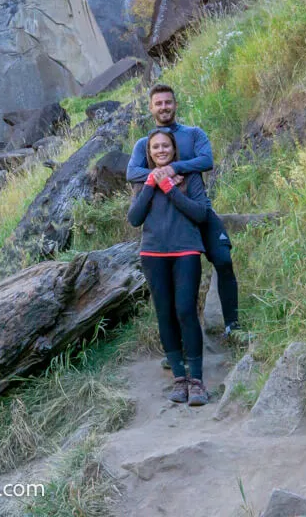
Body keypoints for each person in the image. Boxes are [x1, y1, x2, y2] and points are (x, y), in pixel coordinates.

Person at [126, 84, 240, 337]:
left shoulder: (193, 134)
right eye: (159, 103)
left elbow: (206, 160)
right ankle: (179, 344)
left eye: (168, 102)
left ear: (175, 104)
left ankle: (233, 324)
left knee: (223, 260)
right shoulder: (146, 143)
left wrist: (175, 167)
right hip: (170, 222)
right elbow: (131, 172)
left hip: (199, 211)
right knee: (175, 289)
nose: (164, 107)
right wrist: (159, 175)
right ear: (151, 108)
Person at [128, 130, 210, 406]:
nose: (161, 150)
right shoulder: (142, 181)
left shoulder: (191, 177)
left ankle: (196, 380)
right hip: (153, 254)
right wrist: (151, 185)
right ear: (149, 153)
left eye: (166, 146)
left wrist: (171, 190)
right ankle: (179, 378)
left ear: (174, 150)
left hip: (186, 250)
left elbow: (201, 213)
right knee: (165, 313)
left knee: (185, 310)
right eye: (155, 147)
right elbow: (134, 218)